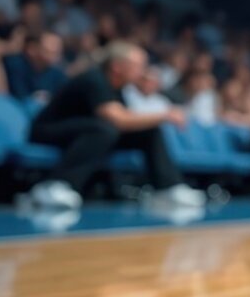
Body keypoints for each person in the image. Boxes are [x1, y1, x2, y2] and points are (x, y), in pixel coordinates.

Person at [26, 42, 204, 208]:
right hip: (48, 131)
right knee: (105, 128)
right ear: (117, 66)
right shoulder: (95, 79)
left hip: (90, 134)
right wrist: (165, 114)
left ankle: (168, 188)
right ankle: (56, 185)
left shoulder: (118, 88)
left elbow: (123, 121)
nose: (143, 71)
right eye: (138, 66)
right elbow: (118, 119)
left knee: (148, 131)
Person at [2, 32, 65, 102]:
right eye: (48, 51)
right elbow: (18, 97)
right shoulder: (15, 65)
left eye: (56, 52)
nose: (52, 56)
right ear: (32, 49)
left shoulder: (58, 75)